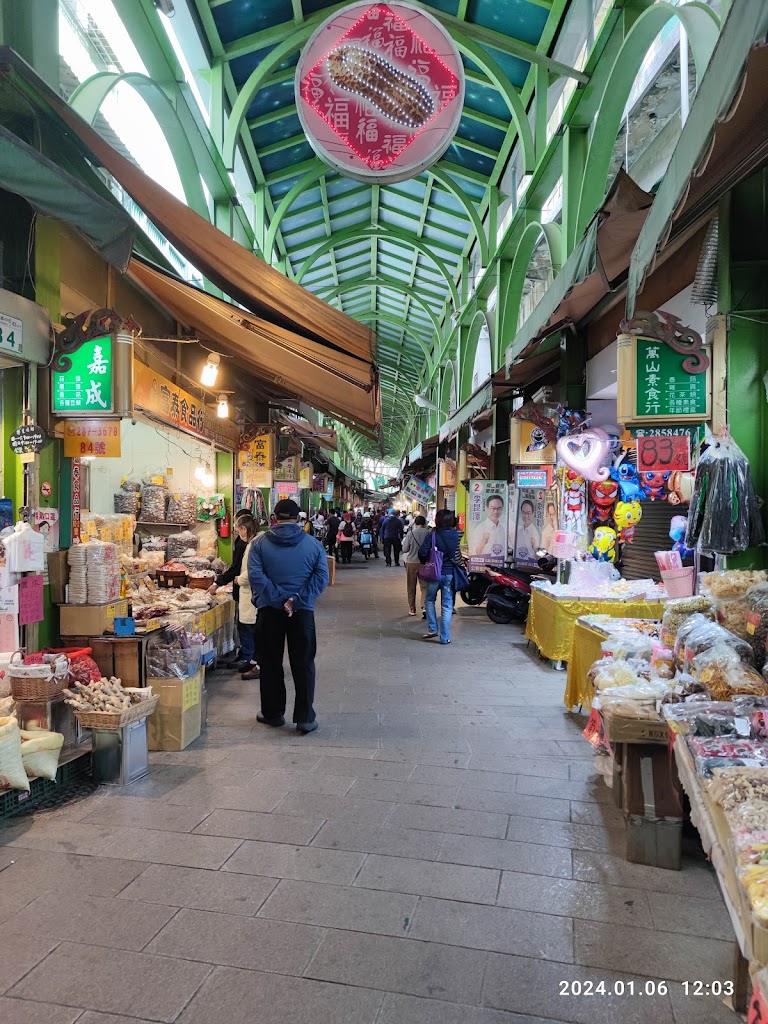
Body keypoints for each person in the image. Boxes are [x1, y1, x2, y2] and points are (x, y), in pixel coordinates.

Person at [248, 498, 329, 734]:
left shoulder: (259, 544)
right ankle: (304, 718)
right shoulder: (313, 545)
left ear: (274, 518)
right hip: (302, 612)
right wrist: (295, 600)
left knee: (270, 662)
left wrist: (278, 598)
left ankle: (273, 714)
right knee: (303, 663)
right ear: (298, 519)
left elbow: (255, 576)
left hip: (269, 611)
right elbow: (321, 577)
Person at [208, 508, 252, 667]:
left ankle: (247, 658)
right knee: (246, 624)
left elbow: (238, 568)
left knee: (246, 625)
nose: (235, 528)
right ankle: (247, 656)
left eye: (236, 525)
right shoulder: (253, 541)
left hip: (246, 589)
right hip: (249, 591)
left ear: (243, 527)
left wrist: (218, 582)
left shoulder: (245, 543)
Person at [419, 509, 462, 644]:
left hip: (434, 573)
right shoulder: (457, 535)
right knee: (447, 606)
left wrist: (426, 561)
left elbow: (422, 552)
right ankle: (445, 637)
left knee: (429, 600)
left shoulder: (433, 535)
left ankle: (432, 629)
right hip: (449, 574)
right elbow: (456, 553)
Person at [234, 515, 260, 679]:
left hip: (250, 593)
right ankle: (252, 661)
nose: (239, 534)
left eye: (238, 530)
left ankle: (252, 660)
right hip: (253, 594)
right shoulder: (257, 543)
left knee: (250, 629)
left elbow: (251, 572)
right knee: (251, 629)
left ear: (244, 529)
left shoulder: (252, 546)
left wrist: (238, 579)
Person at [401, 514, 430, 616]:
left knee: (411, 586)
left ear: (415, 523)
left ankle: (412, 608)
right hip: (424, 563)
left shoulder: (410, 533)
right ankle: (425, 606)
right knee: (425, 586)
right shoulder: (428, 533)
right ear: (424, 523)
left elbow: (405, 549)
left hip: (411, 563)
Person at [470, 493, 507, 559]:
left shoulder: (504, 528)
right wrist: (483, 542)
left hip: (501, 566)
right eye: (493, 508)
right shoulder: (480, 528)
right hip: (485, 566)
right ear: (487, 509)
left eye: (499, 508)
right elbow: (474, 554)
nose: (496, 512)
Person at [516, 498, 541, 563]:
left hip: (531, 567)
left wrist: (535, 549)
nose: (526, 516)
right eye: (524, 513)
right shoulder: (518, 531)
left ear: (533, 514)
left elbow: (540, 557)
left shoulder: (535, 533)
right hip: (518, 566)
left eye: (528, 513)